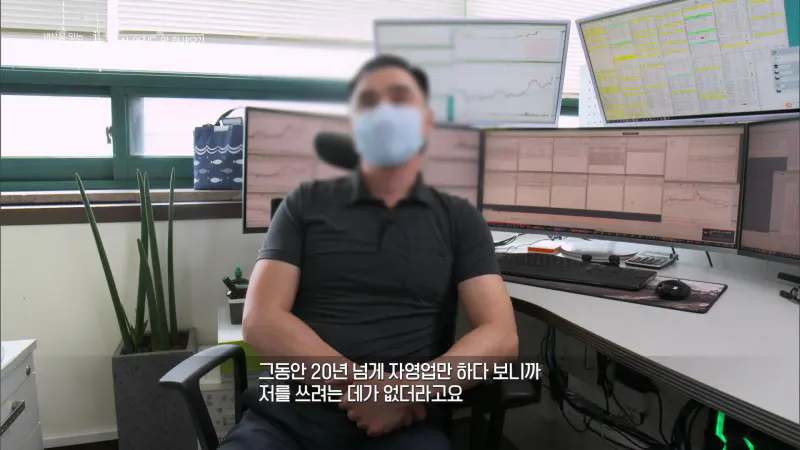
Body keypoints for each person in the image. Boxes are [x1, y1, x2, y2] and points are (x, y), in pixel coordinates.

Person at [221, 54, 518, 450]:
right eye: (369, 103)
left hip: (403, 424)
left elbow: (500, 334)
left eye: (400, 99)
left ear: (427, 121)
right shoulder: (303, 204)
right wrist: (359, 386)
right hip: (287, 418)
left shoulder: (460, 218)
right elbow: (260, 319)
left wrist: (404, 392)